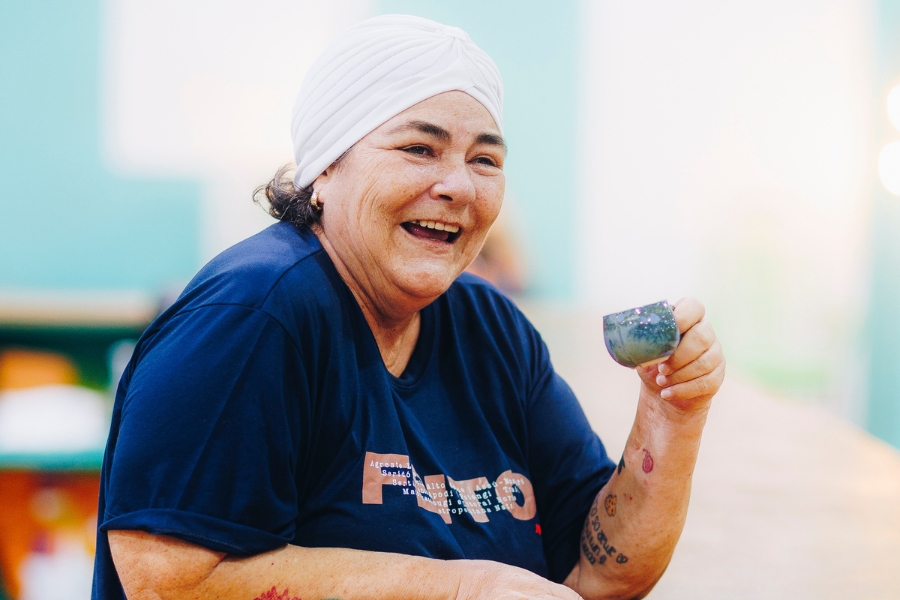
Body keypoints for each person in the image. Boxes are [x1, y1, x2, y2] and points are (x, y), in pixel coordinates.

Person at [92, 14, 725, 600]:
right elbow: (166, 581)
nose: (457, 185)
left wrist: (673, 413)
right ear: (324, 168)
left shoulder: (492, 330)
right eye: (418, 149)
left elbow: (600, 573)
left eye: (485, 159)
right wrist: (459, 590)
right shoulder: (252, 318)